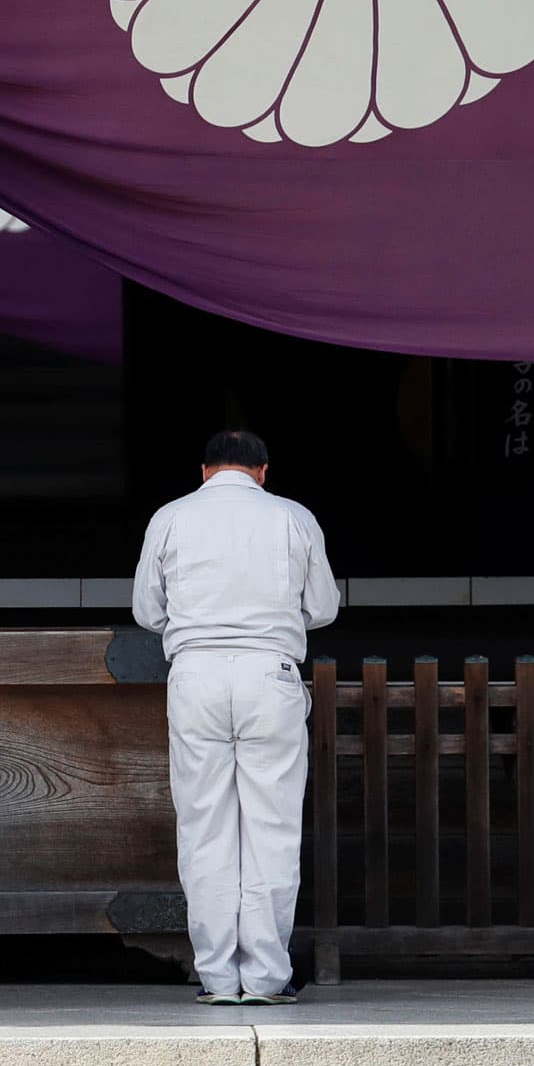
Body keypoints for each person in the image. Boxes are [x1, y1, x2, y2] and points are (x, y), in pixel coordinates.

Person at [131, 430, 338, 1005]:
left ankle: (218, 976)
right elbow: (322, 608)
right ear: (263, 472)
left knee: (204, 828)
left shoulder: (171, 517)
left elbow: (147, 611)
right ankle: (267, 976)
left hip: (195, 676)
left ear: (203, 471)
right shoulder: (293, 517)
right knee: (271, 830)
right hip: (268, 674)